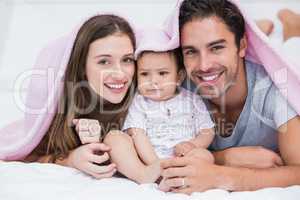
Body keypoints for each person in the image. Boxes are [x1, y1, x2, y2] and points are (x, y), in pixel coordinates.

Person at [159, 0, 300, 194]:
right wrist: (225, 158)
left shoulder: (276, 89)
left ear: (242, 45)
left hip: (289, 62)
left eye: (216, 47)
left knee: (293, 50)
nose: (204, 65)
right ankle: (260, 30)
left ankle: (291, 27)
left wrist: (220, 175)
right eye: (191, 51)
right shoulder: (178, 88)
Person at [0, 14, 137, 180]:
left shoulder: (143, 103)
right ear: (82, 67)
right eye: (104, 62)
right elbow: (28, 156)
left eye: (127, 60)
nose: (120, 74)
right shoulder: (60, 109)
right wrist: (70, 159)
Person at [77, 29, 215, 187]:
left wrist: (194, 145)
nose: (153, 81)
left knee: (206, 156)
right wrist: (156, 164)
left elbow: (207, 131)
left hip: (184, 156)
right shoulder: (139, 101)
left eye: (162, 73)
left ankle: (180, 177)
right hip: (148, 159)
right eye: (144, 74)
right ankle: (143, 175)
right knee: (114, 138)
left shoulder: (193, 100)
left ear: (179, 77)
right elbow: (138, 135)